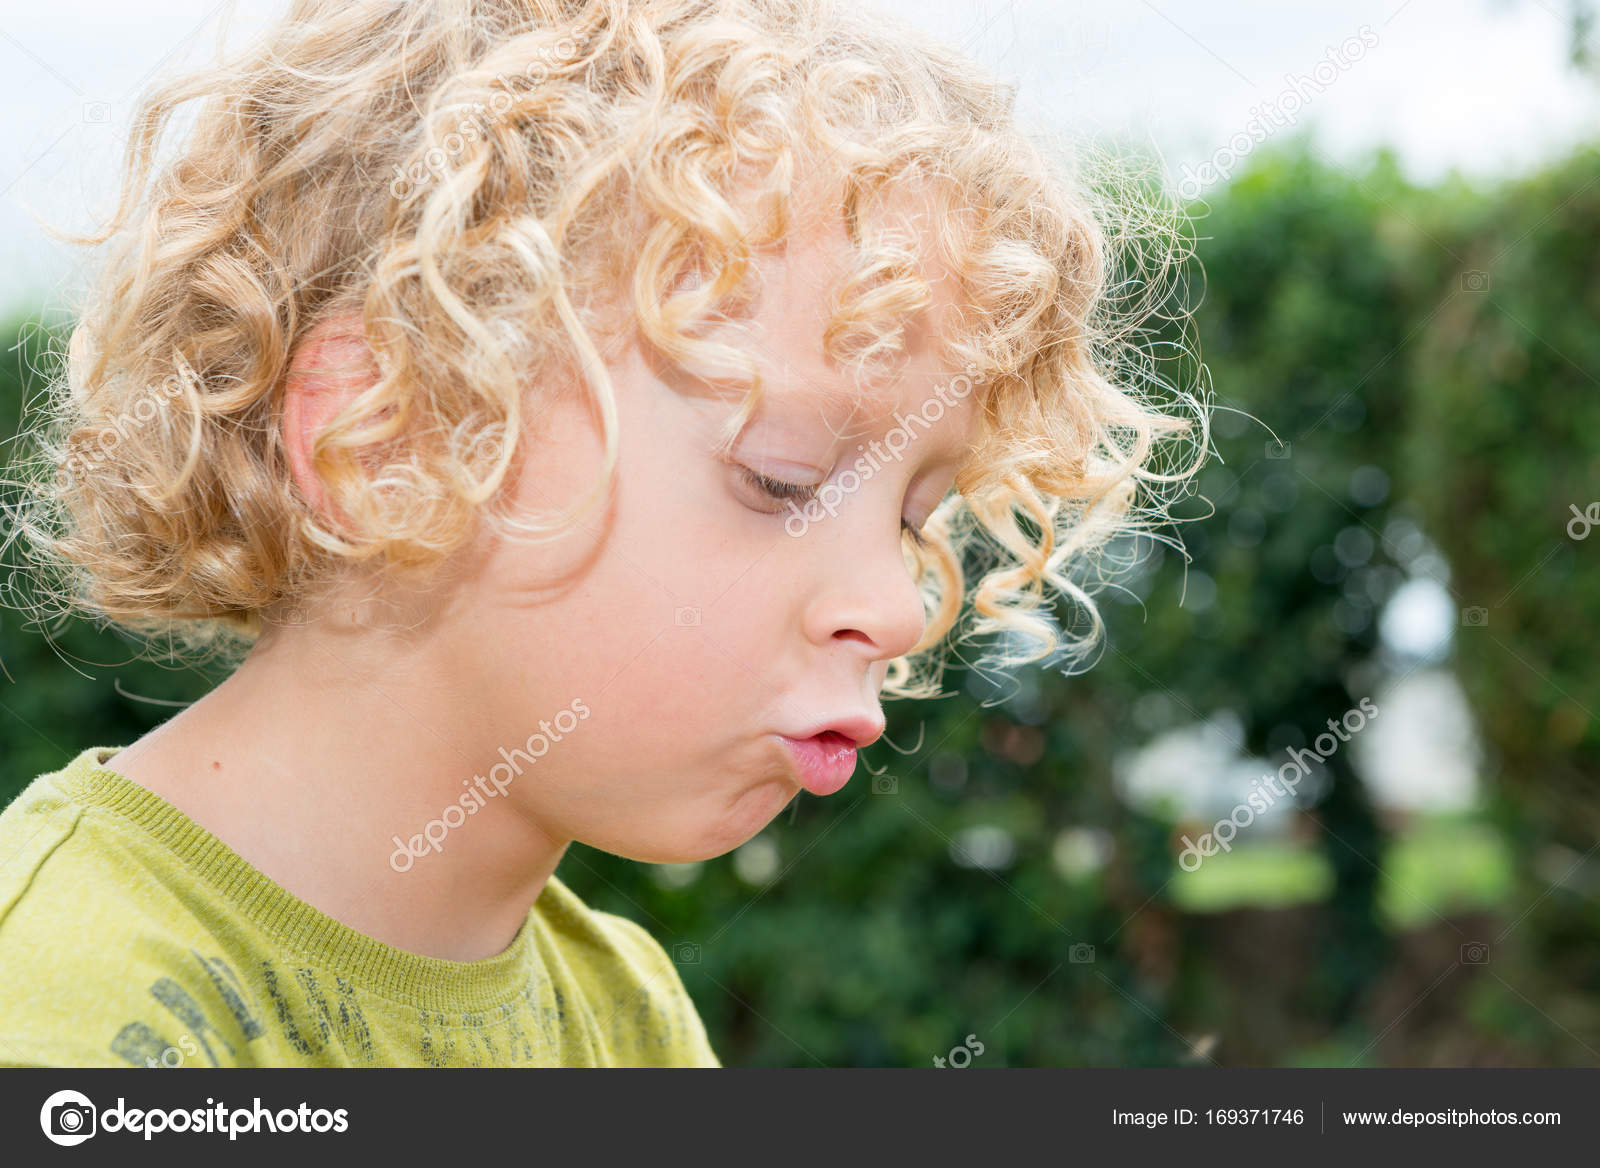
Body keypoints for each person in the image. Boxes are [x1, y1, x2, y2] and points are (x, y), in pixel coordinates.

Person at [0, 0, 1203, 1067]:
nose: (895, 606)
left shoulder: (629, 1018)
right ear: (388, 441)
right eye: (783, 480)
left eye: (910, 516)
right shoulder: (64, 1005)